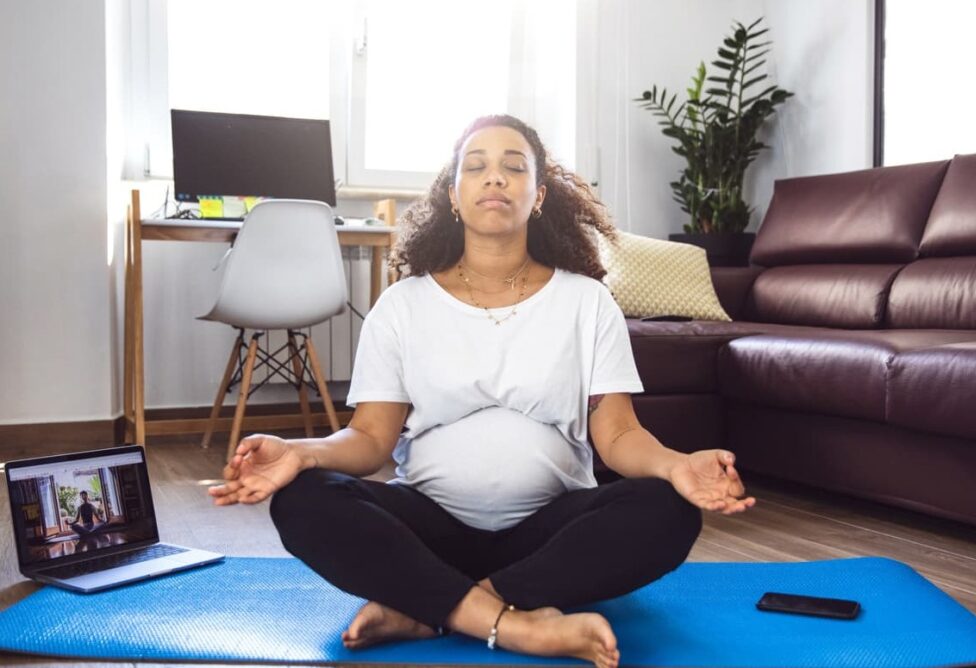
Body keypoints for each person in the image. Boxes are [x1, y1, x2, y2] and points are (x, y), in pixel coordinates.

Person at [209, 114, 755, 668]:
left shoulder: (587, 302)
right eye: (476, 167)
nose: (494, 178)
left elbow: (618, 435)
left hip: (550, 537)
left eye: (513, 167)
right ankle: (518, 624)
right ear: (453, 195)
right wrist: (301, 453)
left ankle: (432, 608)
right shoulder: (403, 304)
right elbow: (371, 439)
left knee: (669, 509)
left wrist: (675, 465)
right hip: (428, 531)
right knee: (304, 498)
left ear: (538, 195)